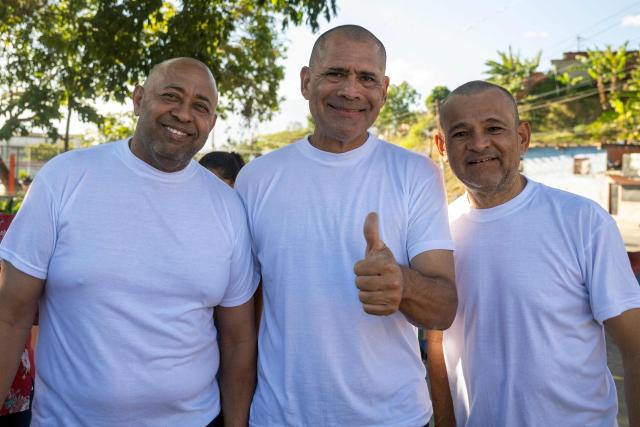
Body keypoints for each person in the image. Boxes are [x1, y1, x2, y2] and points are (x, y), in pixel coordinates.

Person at [0, 57, 259, 426]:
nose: (184, 114)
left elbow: (237, 341)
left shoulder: (228, 207)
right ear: (138, 100)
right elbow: (10, 316)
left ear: (212, 123)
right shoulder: (65, 178)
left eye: (201, 107)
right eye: (171, 96)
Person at [235, 25, 457, 426]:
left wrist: (402, 284)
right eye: (335, 73)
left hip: (394, 418)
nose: (351, 91)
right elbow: (243, 316)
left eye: (367, 78)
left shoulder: (417, 174)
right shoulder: (257, 179)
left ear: (384, 90)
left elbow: (443, 309)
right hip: (280, 418)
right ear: (306, 81)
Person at [431, 80, 640, 426]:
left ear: (523, 138)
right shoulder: (437, 232)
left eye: (494, 128)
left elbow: (634, 347)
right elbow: (438, 344)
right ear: (442, 145)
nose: (479, 143)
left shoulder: (582, 221)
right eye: (461, 133)